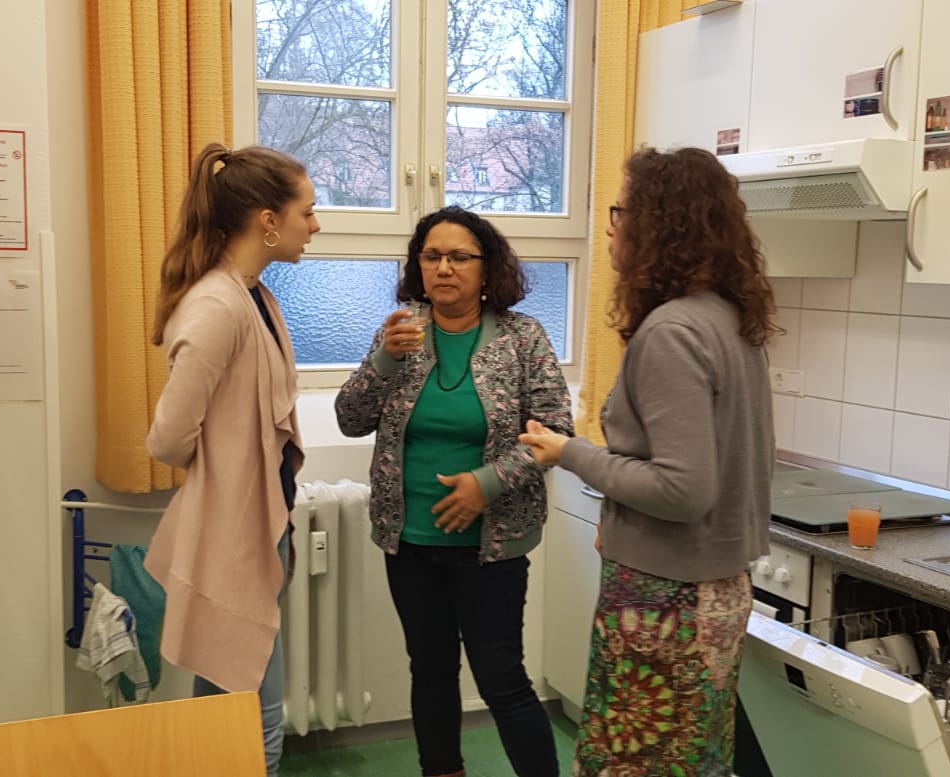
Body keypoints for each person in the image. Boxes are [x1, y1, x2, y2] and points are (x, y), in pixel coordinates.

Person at [519, 147, 777, 776]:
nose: (612, 227)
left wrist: (572, 452)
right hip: (712, 589)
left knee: (639, 763)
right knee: (693, 761)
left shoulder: (672, 332)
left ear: (661, 224)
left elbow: (683, 489)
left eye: (622, 211)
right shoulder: (728, 319)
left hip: (667, 601)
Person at [335, 206, 572, 777]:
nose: (444, 268)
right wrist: (384, 360)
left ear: (487, 267)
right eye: (432, 256)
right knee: (431, 672)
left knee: (502, 680)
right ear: (418, 266)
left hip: (492, 545)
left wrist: (485, 485)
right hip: (410, 540)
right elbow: (350, 419)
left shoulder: (523, 337)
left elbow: (554, 431)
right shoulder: (400, 332)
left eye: (460, 257)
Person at [143, 142, 319, 777]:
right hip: (232, 530)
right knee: (252, 712)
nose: (315, 225)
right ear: (268, 220)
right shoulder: (218, 304)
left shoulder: (254, 296)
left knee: (225, 696)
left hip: (254, 526)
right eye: (307, 211)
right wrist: (224, 463)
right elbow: (167, 439)